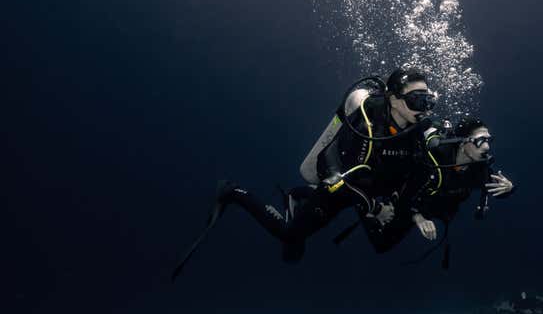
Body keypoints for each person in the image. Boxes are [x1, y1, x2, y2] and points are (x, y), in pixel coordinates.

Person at [172, 67, 438, 280]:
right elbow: (329, 158)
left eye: (428, 100)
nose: (424, 108)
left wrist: (414, 212)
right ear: (393, 99)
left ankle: (299, 197)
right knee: (290, 239)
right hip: (342, 187)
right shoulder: (367, 121)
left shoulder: (418, 134)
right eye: (417, 100)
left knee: (383, 244)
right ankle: (233, 192)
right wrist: (369, 202)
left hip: (370, 195)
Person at [359, 116, 514, 263]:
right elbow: (404, 193)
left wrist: (508, 189)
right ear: (462, 142)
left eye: (489, 140)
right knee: (382, 244)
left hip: (439, 208)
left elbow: (493, 189)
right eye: (481, 141)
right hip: (413, 204)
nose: (487, 147)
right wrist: (417, 217)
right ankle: (362, 204)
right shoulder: (433, 161)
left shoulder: (480, 168)